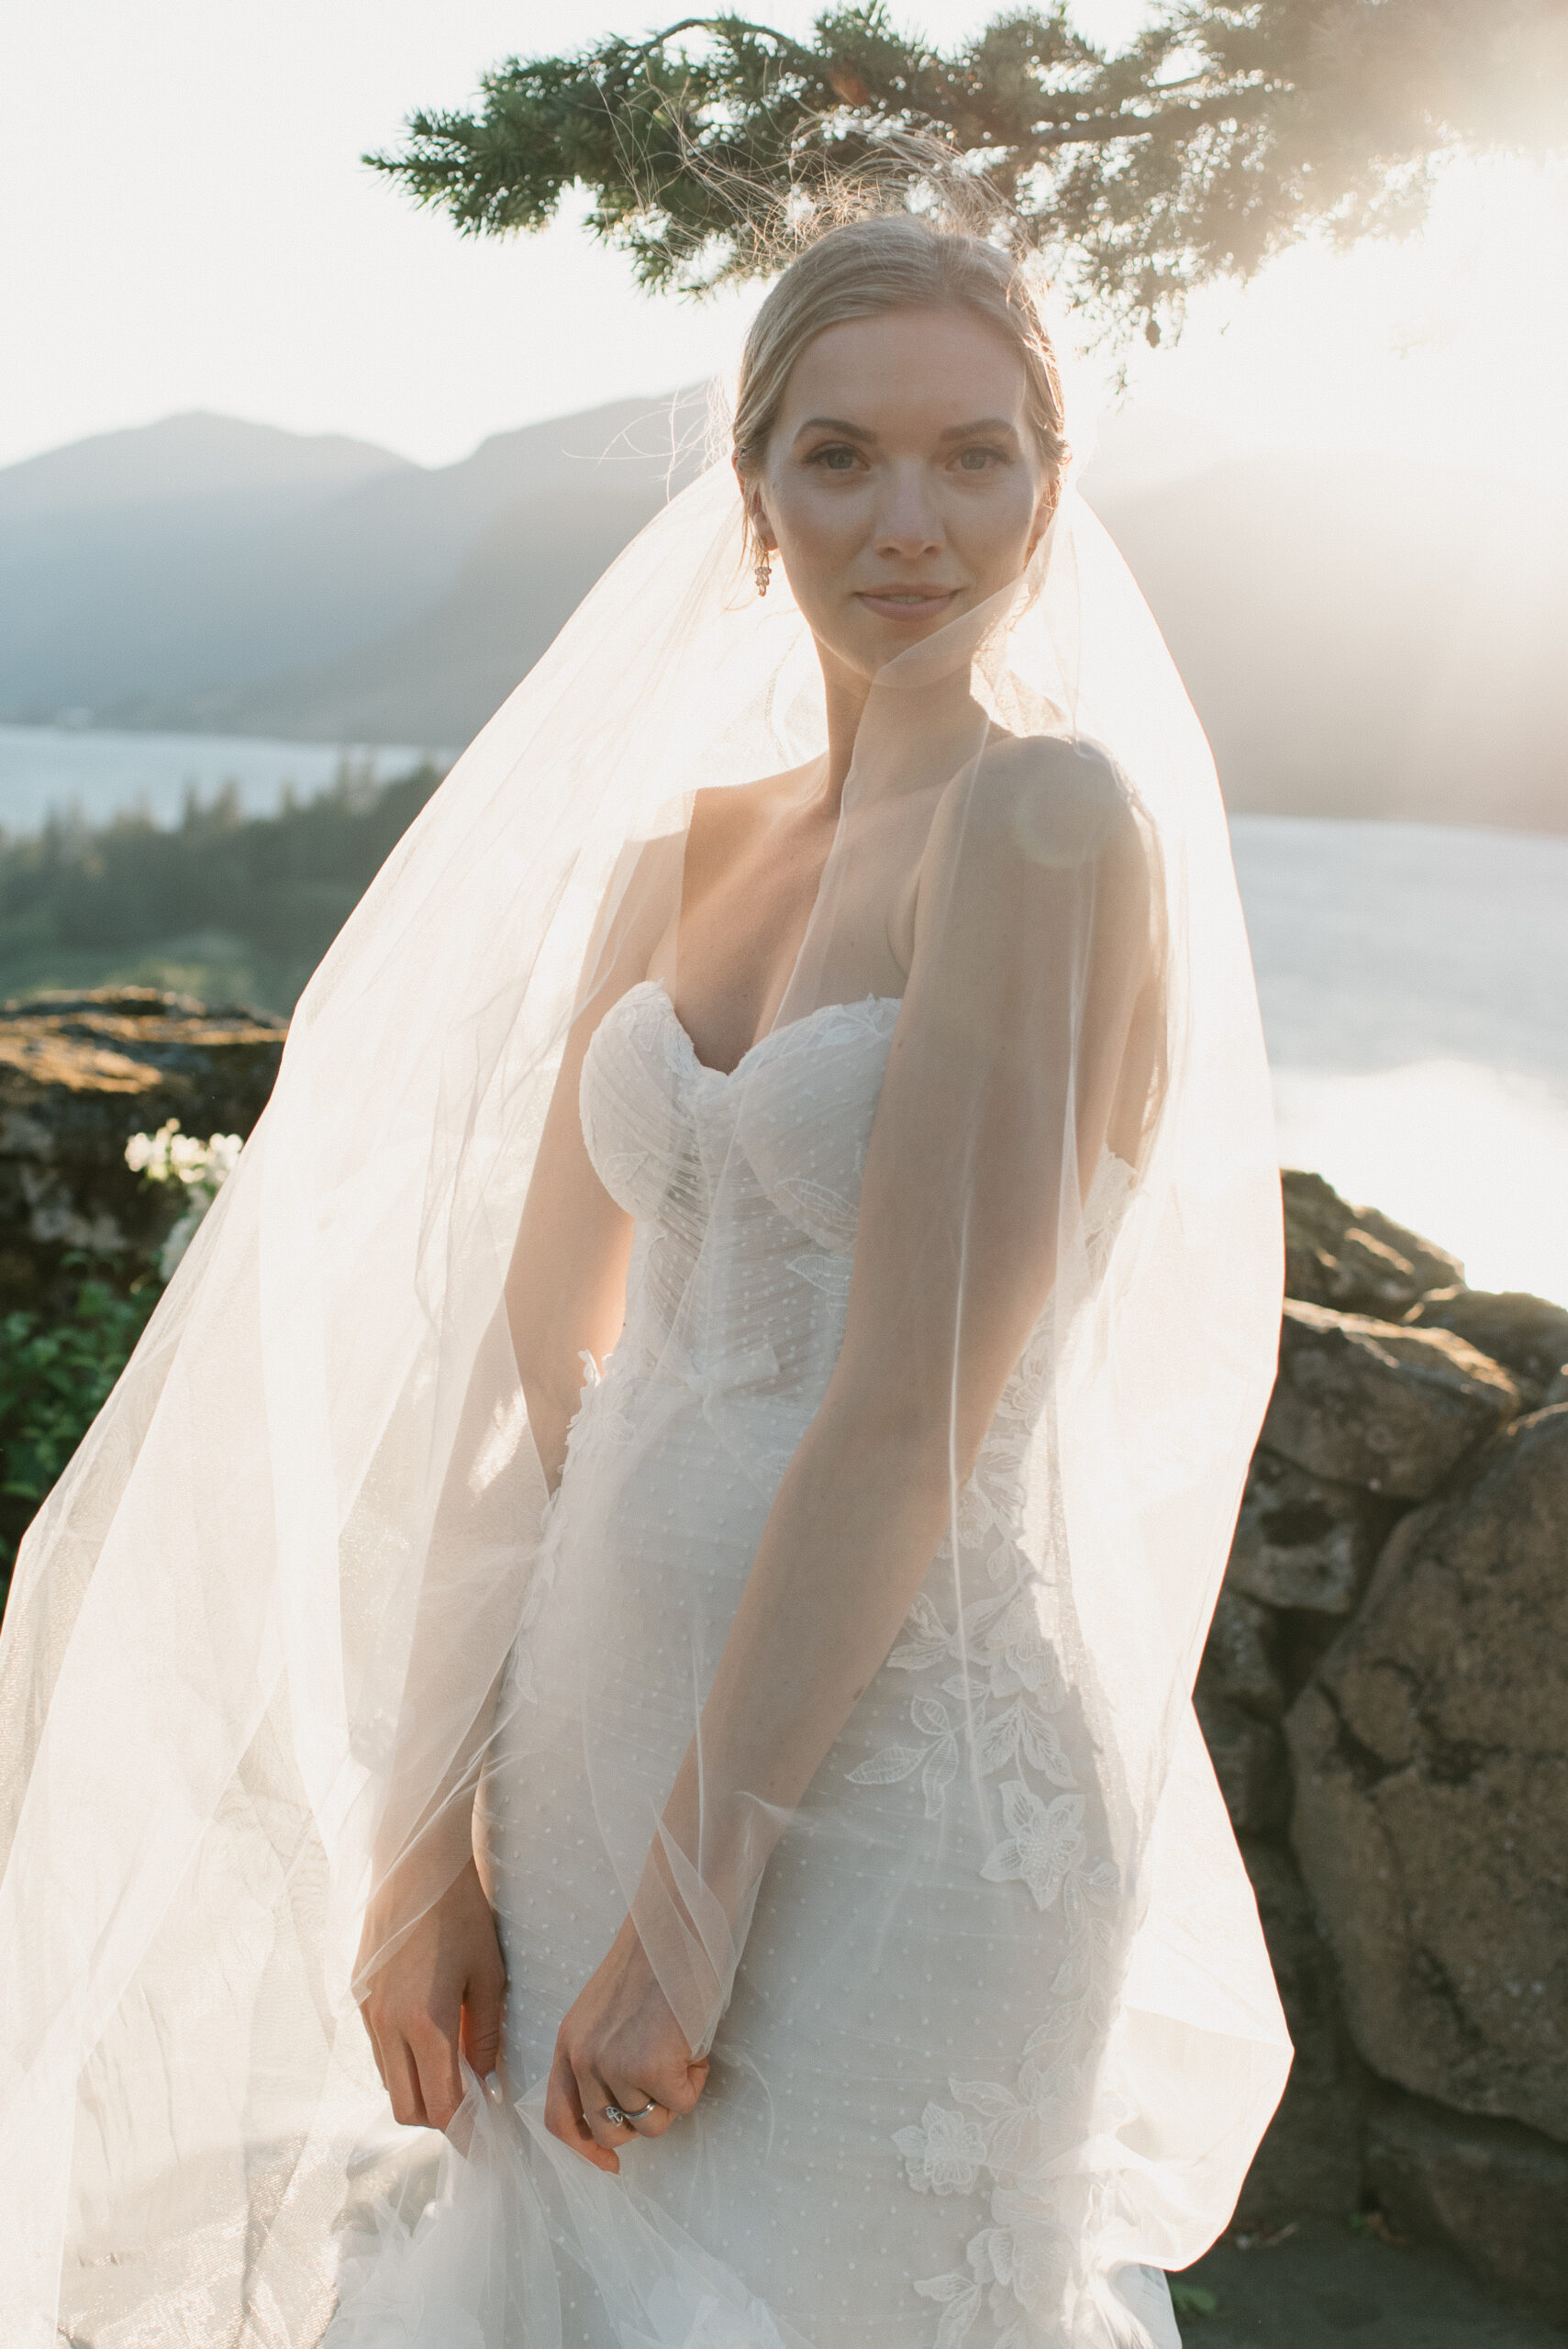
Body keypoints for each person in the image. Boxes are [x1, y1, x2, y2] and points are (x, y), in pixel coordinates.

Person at [0, 213, 1290, 2349]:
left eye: (977, 458)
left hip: (893, 1802)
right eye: (843, 456)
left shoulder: (1051, 827)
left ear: (1050, 490)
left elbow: (905, 1407)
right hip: (588, 1738)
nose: (913, 520)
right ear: (753, 493)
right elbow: (529, 1364)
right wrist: (424, 1840)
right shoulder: (673, 856)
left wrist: (701, 1902)